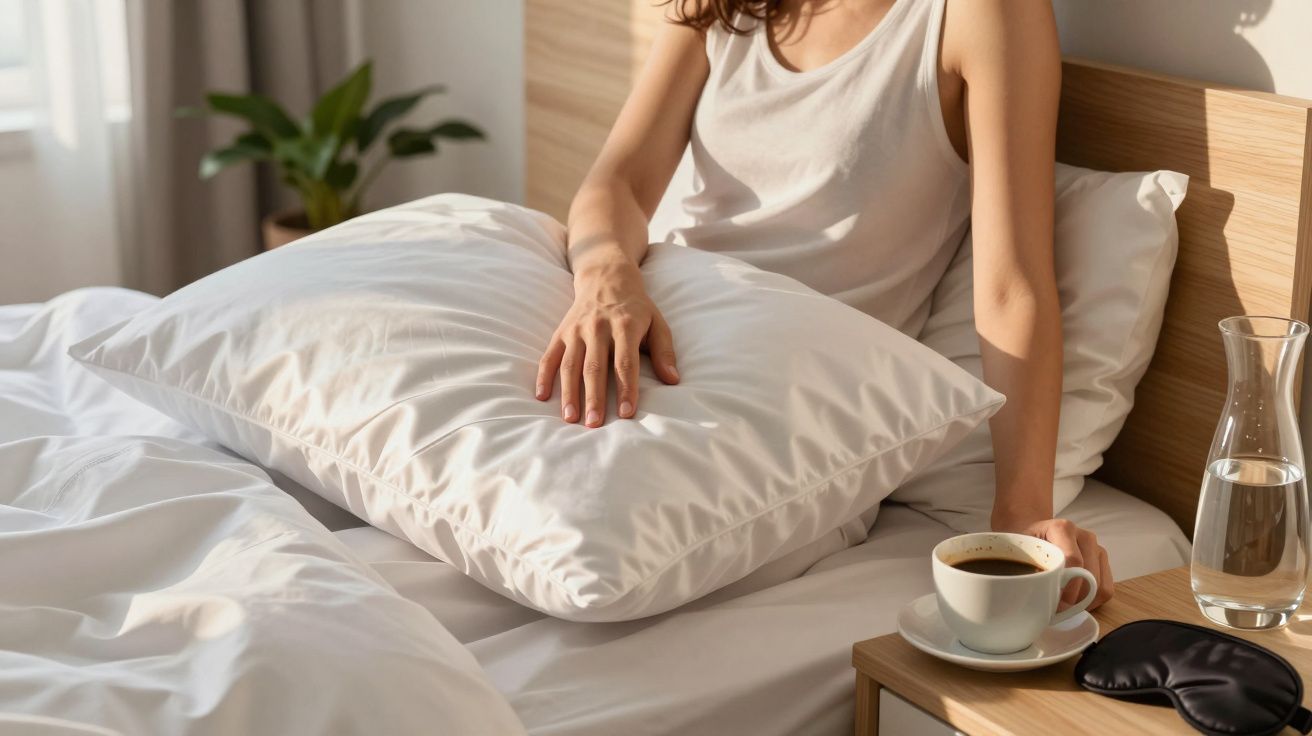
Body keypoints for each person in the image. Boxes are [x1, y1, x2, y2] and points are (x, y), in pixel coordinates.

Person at [533, 0, 1113, 609]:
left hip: (787, 403)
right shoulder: (723, 8)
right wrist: (607, 275)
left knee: (587, 551)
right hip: (641, 328)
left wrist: (1022, 515)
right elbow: (617, 181)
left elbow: (1010, 288)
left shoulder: (980, 13)